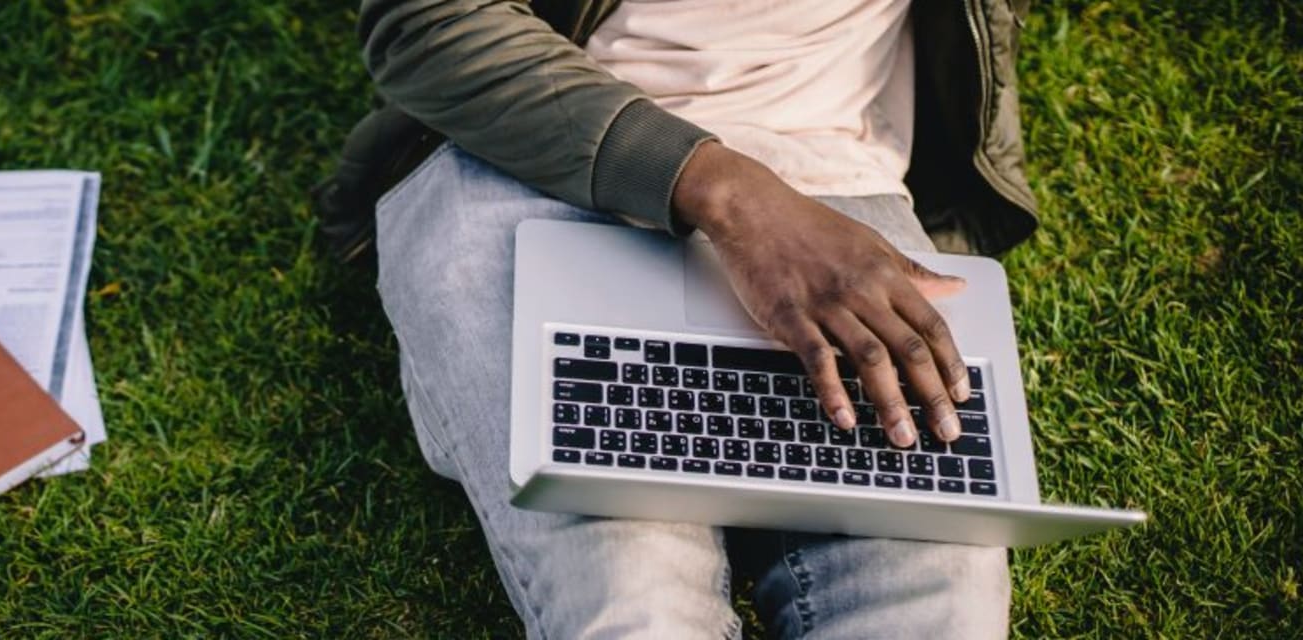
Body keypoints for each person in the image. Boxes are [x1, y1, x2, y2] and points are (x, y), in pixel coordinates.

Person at [316, 0, 1037, 636]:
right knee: (634, 599)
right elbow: (429, 21)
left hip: (839, 193)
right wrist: (733, 197)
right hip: (535, 159)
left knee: (938, 602)